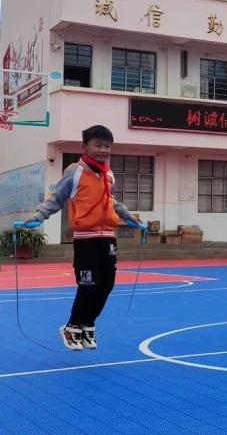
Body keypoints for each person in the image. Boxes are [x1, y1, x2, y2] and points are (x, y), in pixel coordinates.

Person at [23, 125, 142, 351]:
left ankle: (88, 324)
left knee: (106, 285)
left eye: (107, 146)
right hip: (85, 239)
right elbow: (57, 199)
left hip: (108, 238)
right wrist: (39, 216)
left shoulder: (109, 175)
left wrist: (129, 216)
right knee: (88, 285)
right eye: (98, 145)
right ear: (84, 146)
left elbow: (111, 201)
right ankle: (72, 327)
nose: (103, 150)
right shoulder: (74, 172)